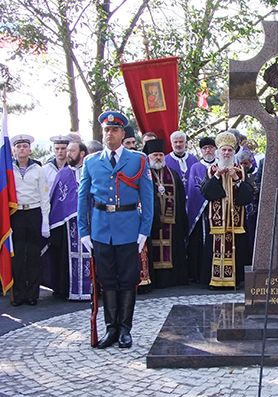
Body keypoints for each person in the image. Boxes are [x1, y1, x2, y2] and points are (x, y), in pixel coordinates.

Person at [77, 111, 154, 349]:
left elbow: (147, 197)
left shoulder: (138, 160)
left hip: (129, 227)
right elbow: (83, 199)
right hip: (101, 229)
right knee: (107, 280)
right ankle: (110, 329)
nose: (109, 134)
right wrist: (83, 231)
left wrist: (144, 230)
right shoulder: (91, 161)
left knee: (128, 279)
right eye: (106, 130)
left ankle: (125, 329)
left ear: (122, 133)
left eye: (114, 130)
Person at [200, 131, 254, 288]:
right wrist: (217, 175)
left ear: (234, 151)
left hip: (235, 223)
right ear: (218, 152)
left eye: (229, 150)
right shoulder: (211, 171)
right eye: (223, 150)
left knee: (237, 251)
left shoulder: (241, 171)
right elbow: (206, 193)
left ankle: (234, 280)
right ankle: (215, 281)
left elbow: (247, 197)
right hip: (217, 223)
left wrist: (236, 179)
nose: (226, 153)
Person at [45, 141, 91, 300]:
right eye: (67, 150)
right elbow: (57, 201)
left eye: (71, 151)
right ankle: (68, 289)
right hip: (68, 225)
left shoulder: (92, 171)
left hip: (91, 222)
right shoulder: (62, 174)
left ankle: (92, 289)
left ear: (82, 153)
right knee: (67, 256)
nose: (67, 154)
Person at [10, 134, 50, 306]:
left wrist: (45, 222)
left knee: (33, 255)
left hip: (33, 212)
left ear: (30, 149)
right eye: (18, 146)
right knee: (17, 255)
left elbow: (44, 197)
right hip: (16, 213)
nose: (21, 149)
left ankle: (33, 294)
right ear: (13, 150)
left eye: (25, 146)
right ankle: (18, 294)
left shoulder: (38, 169)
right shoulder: (8, 169)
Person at [143, 139, 189, 289]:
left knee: (173, 247)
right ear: (149, 156)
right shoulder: (145, 174)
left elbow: (181, 199)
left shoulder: (172, 174)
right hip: (151, 222)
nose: (158, 158)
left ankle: (173, 279)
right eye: (155, 155)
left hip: (172, 222)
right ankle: (155, 280)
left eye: (161, 155)